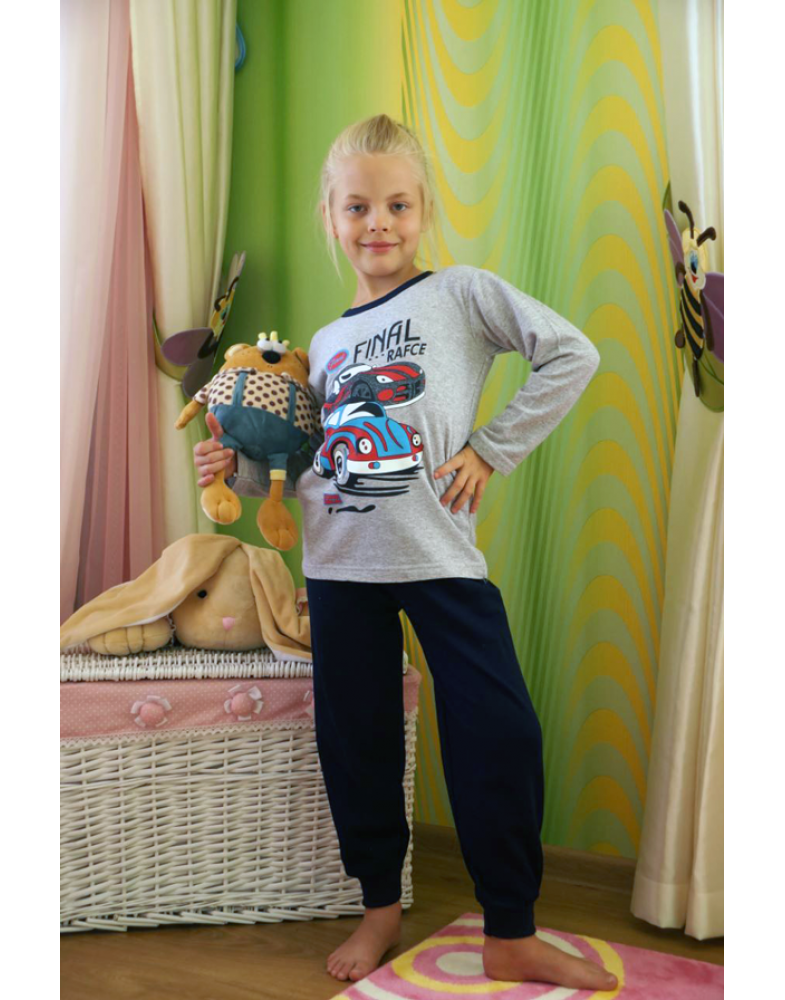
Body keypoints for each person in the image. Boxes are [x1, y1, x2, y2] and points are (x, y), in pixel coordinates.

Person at [193, 114, 616, 991]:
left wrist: (490, 449)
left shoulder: (460, 294)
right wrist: (235, 466)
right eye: (357, 206)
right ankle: (379, 907)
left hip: (439, 556)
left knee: (498, 731)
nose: (377, 222)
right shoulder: (323, 345)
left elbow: (571, 354)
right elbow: (306, 459)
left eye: (396, 204)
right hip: (338, 564)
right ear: (329, 216)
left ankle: (510, 928)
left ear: (423, 210)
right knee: (357, 741)